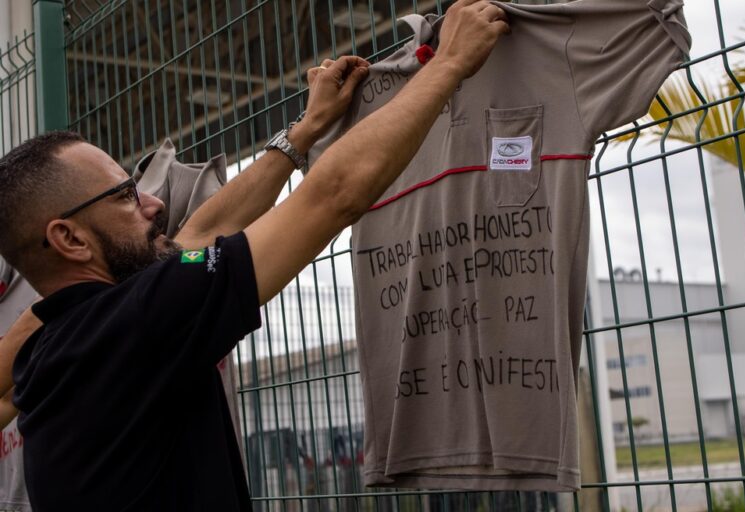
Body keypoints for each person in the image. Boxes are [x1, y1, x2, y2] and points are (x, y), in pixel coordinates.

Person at [0, 1, 508, 510]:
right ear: (69, 238)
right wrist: (449, 64)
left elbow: (205, 232)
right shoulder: (128, 326)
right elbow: (332, 197)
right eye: (124, 196)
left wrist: (304, 132)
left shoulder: (63, 343)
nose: (153, 204)